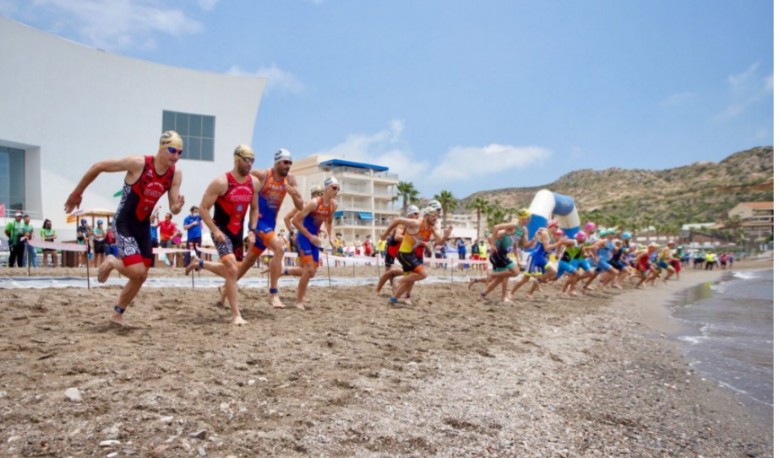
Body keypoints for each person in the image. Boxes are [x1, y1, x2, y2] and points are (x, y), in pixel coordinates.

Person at [63, 130, 185, 326]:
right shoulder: (139, 163)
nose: (176, 156)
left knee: (142, 275)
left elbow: (173, 206)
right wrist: (78, 192)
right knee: (136, 271)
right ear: (161, 147)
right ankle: (111, 261)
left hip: (143, 226)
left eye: (180, 152)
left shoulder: (175, 174)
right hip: (124, 223)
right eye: (172, 150)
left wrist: (177, 208)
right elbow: (99, 166)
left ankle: (117, 313)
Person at [186, 145, 260, 325]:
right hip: (221, 231)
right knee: (233, 270)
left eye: (252, 160)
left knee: (235, 272)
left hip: (237, 232)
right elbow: (203, 208)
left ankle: (200, 263)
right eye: (246, 159)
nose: (250, 164)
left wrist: (251, 230)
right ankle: (236, 315)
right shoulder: (221, 182)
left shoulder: (254, 183)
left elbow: (255, 207)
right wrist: (214, 230)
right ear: (237, 159)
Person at [221, 148, 303, 309]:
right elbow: (237, 178)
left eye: (290, 163)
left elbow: (300, 205)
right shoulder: (263, 175)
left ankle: (225, 288)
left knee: (247, 263)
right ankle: (273, 294)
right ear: (277, 162)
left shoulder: (290, 180)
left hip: (270, 225)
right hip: (258, 223)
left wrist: (295, 194)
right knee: (279, 248)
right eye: (285, 162)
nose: (288, 166)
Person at [384, 205, 452, 306]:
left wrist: (446, 236)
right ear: (426, 216)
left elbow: (439, 243)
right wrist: (385, 234)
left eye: (437, 216)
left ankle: (393, 300)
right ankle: (397, 279)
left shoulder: (431, 228)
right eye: (433, 215)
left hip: (410, 253)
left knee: (410, 281)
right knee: (423, 274)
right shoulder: (416, 223)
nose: (436, 217)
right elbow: (397, 220)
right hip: (404, 253)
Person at [291, 177, 339, 310]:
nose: (337, 191)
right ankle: (299, 301)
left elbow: (329, 222)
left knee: (312, 272)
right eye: (334, 188)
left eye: (338, 189)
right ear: (326, 188)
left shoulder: (333, 205)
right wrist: (309, 236)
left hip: (314, 239)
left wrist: (331, 237)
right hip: (304, 237)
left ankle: (284, 271)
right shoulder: (314, 203)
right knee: (309, 269)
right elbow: (295, 221)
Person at [376, 205, 420, 296]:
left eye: (418, 214)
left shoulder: (416, 225)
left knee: (409, 272)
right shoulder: (403, 224)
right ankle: (377, 290)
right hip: (392, 249)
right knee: (388, 273)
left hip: (402, 250)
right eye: (416, 213)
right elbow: (397, 237)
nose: (418, 216)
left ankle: (400, 292)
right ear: (410, 214)